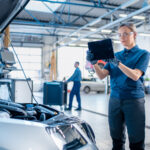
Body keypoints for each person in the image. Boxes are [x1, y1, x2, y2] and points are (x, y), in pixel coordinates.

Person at [86, 23, 150, 150]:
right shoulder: (116, 55)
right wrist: (94, 64)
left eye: (126, 33)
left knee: (136, 141)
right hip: (114, 100)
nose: (122, 37)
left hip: (134, 101)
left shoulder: (143, 54)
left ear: (134, 35)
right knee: (116, 140)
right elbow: (102, 75)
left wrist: (118, 63)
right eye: (119, 34)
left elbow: (136, 75)